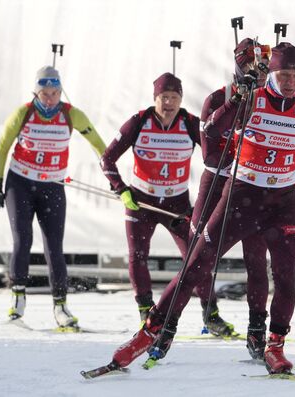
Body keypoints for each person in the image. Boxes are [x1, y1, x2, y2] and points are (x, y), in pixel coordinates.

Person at [105, 42, 295, 375]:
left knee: (285, 278)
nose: (290, 82)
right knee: (197, 263)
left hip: (282, 202)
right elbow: (213, 129)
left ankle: (274, 346)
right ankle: (149, 332)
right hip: (242, 195)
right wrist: (238, 98)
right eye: (284, 74)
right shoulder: (252, 98)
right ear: (270, 73)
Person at [100, 73, 232, 333]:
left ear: (181, 99)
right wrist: (121, 189)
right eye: (164, 98)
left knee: (197, 258)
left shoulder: (189, 122)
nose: (168, 103)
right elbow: (107, 159)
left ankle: (211, 315)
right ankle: (145, 313)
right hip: (141, 202)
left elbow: (216, 152)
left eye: (174, 97)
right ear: (155, 99)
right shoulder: (139, 122)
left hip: (177, 205)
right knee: (138, 256)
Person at [0, 66, 106, 328]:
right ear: (36, 92)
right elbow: (3, 145)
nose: (51, 98)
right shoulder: (24, 113)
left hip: (51, 185)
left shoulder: (71, 114)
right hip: (19, 183)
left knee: (54, 246)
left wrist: (112, 173)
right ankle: (17, 302)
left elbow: (100, 145)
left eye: (55, 92)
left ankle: (61, 307)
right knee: (23, 239)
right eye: (45, 93)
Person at [198, 37, 271, 357]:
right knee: (199, 252)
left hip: (253, 190)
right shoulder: (218, 98)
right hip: (218, 184)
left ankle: (257, 330)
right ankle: (205, 314)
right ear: (241, 67)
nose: (263, 74)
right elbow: (210, 150)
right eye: (256, 67)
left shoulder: (273, 100)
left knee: (257, 261)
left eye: (266, 68)